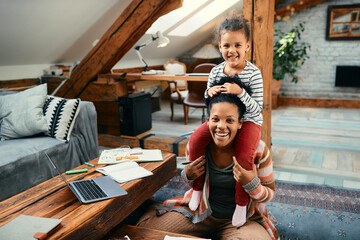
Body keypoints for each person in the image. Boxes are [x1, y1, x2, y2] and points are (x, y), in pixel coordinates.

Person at [136, 91, 278, 240]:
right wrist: (188, 175)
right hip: (201, 212)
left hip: (242, 222)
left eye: (230, 121)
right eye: (215, 119)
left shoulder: (259, 150)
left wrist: (251, 184)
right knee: (144, 232)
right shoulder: (198, 145)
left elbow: (269, 195)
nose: (221, 126)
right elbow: (193, 183)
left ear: (240, 123)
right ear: (208, 120)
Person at [187, 13, 264, 227]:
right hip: (222, 118)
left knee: (243, 156)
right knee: (194, 140)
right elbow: (206, 101)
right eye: (226, 45)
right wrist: (209, 92)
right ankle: (196, 189)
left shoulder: (254, 73)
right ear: (219, 46)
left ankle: (241, 203)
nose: (232, 50)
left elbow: (257, 108)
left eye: (238, 45)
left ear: (247, 46)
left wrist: (240, 92)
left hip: (249, 121)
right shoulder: (214, 71)